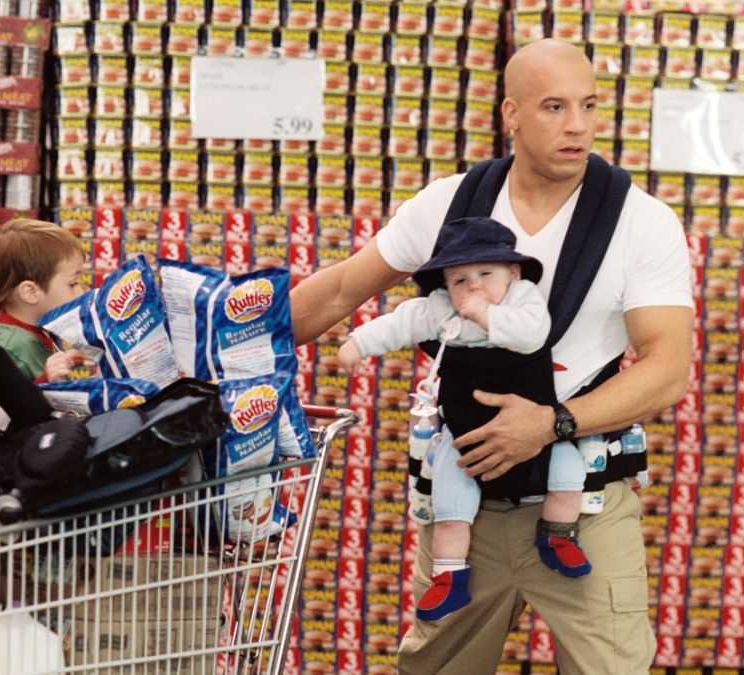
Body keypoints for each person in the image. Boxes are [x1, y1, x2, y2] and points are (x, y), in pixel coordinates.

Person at [290, 39, 692, 673]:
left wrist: (551, 424)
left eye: (589, 105)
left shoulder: (641, 222)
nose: (579, 125)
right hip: (462, 515)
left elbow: (668, 369)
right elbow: (340, 289)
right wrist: (229, 341)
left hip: (582, 507)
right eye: (555, 107)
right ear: (511, 114)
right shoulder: (450, 206)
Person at [337, 216, 605, 622]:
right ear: (445, 283)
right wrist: (358, 344)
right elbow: (402, 322)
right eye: (460, 279)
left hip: (536, 434)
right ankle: (449, 578)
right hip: (465, 435)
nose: (473, 286)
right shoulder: (441, 311)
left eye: (485, 273)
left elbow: (533, 334)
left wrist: (485, 316)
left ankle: (557, 535)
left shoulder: (525, 301)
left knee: (568, 475)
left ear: (513, 273)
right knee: (451, 506)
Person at [0, 218, 89, 429]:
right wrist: (45, 385)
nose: (82, 291)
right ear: (31, 292)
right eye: (73, 284)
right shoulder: (7, 347)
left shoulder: (40, 328)